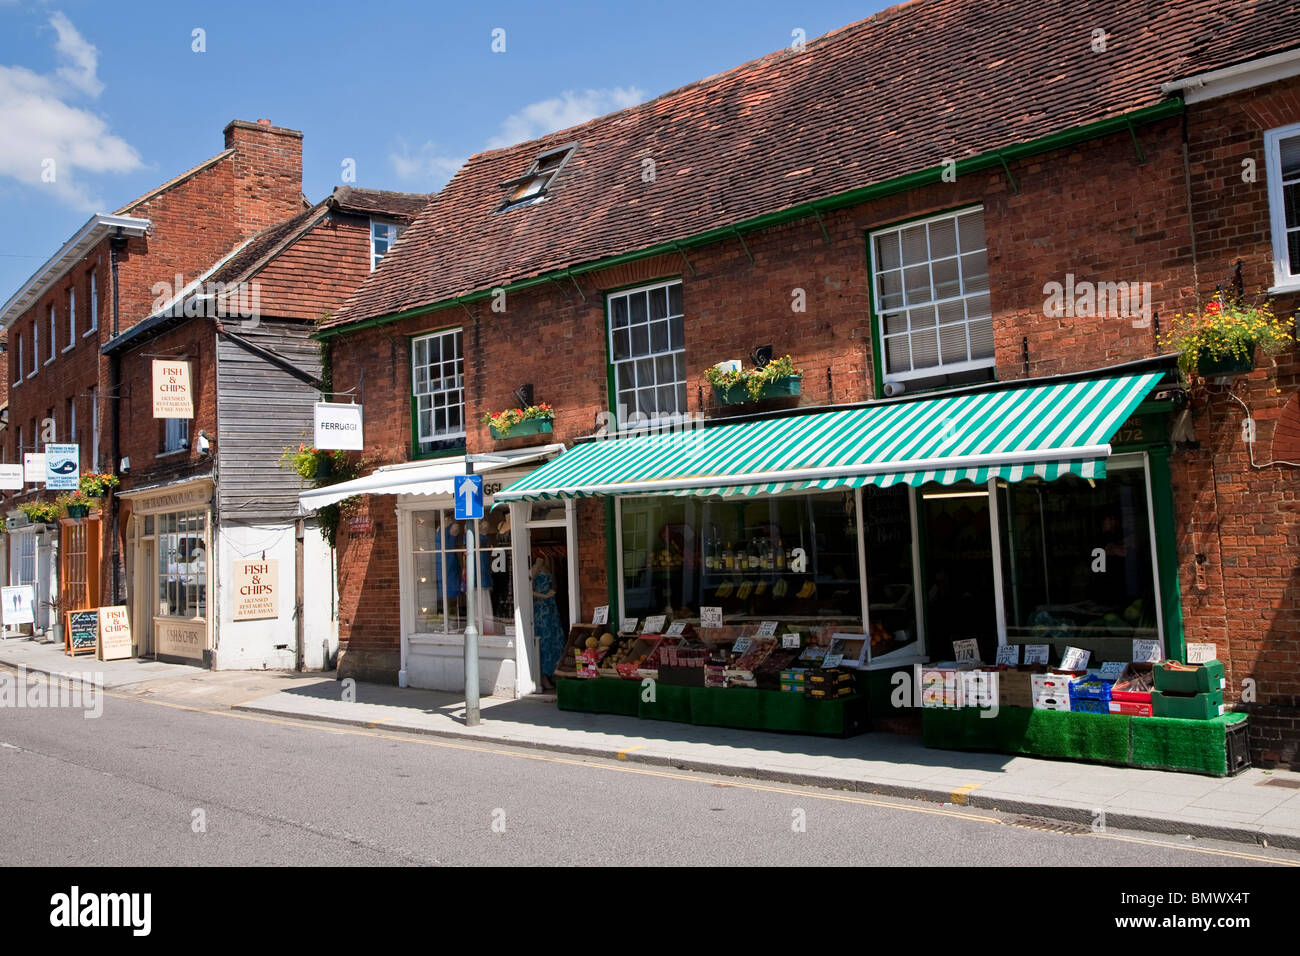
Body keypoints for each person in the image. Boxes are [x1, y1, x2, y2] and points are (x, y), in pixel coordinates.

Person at [532, 554, 564, 690]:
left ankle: (553, 672)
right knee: (544, 640)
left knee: (554, 639)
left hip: (550, 607)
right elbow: (527, 588)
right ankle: (542, 675)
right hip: (541, 608)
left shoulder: (548, 561)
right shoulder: (536, 566)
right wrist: (544, 595)